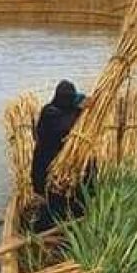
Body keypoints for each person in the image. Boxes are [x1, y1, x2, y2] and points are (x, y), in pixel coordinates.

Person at [30, 80, 87, 230]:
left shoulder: (65, 110)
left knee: (71, 199)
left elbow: (78, 104)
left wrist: (84, 105)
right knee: (52, 201)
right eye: (69, 98)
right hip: (46, 166)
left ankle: (71, 220)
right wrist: (79, 110)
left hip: (62, 167)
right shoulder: (50, 112)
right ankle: (47, 226)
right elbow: (65, 127)